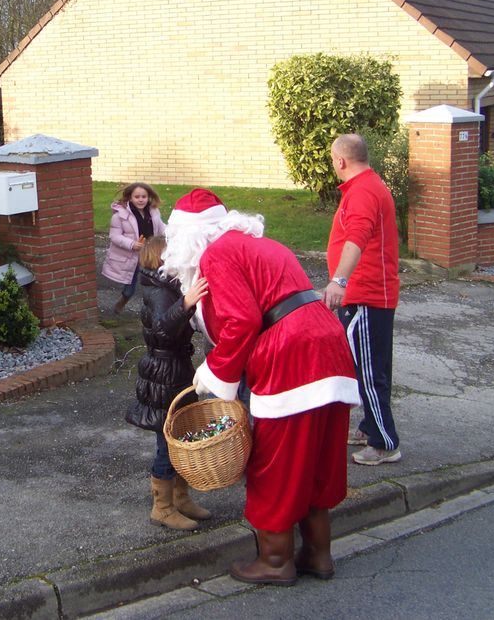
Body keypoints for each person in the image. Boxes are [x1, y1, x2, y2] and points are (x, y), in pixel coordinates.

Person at [162, 189, 360, 586]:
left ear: (188, 237)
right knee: (318, 458)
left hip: (291, 356)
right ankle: (318, 554)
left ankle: (274, 560)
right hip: (328, 343)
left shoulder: (216, 255)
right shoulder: (261, 244)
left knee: (277, 463)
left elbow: (243, 321)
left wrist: (214, 370)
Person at [323, 133, 402, 466]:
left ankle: (385, 443)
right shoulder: (366, 186)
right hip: (369, 294)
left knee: (370, 373)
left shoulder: (363, 192)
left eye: (333, 160)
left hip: (366, 296)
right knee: (367, 367)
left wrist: (339, 280)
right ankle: (370, 427)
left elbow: (357, 237)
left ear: (340, 161)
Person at [125, 235, 211, 531]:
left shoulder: (166, 285)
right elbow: (162, 328)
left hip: (175, 368)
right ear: (160, 259)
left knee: (182, 434)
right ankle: (162, 507)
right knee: (168, 440)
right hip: (164, 372)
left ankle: (181, 497)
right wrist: (186, 302)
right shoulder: (159, 290)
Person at [100, 182, 165, 314]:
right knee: (131, 285)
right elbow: (115, 236)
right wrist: (131, 244)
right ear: (130, 198)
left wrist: (172, 232)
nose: (141, 200)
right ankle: (124, 299)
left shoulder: (153, 212)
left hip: (151, 252)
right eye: (137, 197)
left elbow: (161, 228)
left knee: (158, 280)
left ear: (149, 197)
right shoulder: (120, 216)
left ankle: (157, 307)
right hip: (133, 255)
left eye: (144, 196)